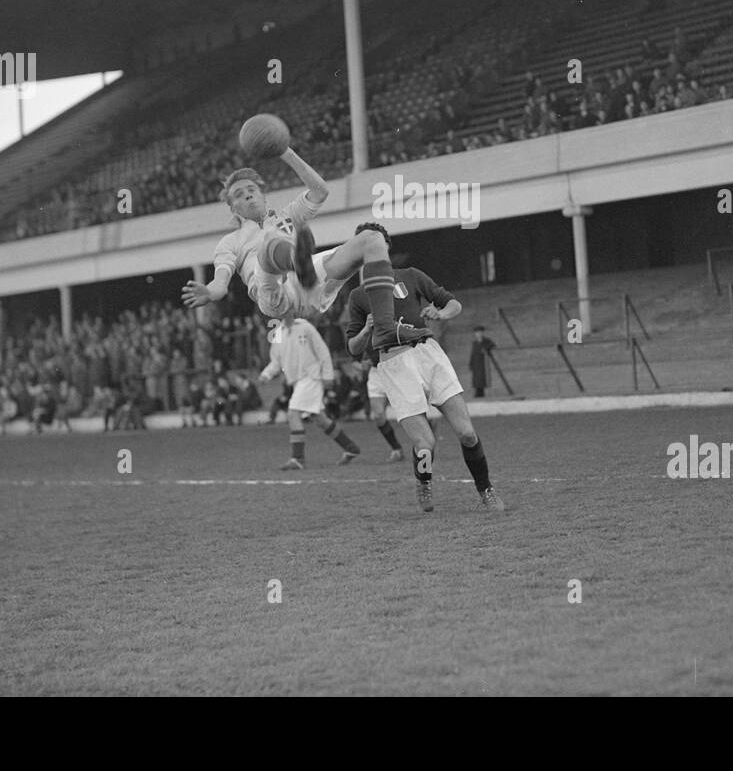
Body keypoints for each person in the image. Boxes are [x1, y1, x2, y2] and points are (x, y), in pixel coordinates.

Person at [180, 145, 431, 354]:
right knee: (269, 244)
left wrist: (285, 151)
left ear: (264, 196)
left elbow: (320, 191)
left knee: (372, 239)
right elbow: (220, 284)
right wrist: (210, 293)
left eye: (251, 190)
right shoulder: (230, 242)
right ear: (232, 208)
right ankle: (294, 259)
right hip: (274, 295)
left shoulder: (287, 215)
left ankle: (386, 329)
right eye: (238, 195)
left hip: (310, 281)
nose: (247, 196)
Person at [347, 223, 503, 513]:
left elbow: (453, 303)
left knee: (467, 434)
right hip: (392, 363)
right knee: (425, 443)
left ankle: (487, 491)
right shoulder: (358, 296)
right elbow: (352, 348)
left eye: (375, 241)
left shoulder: (411, 276)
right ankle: (424, 480)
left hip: (428, 354)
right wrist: (366, 331)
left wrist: (440, 312)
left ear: (385, 246)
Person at [260, 316, 360, 470]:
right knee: (320, 418)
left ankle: (298, 458)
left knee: (293, 414)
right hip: (297, 381)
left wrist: (328, 375)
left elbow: (323, 351)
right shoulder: (277, 332)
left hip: (311, 377)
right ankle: (351, 448)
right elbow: (276, 360)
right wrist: (266, 374)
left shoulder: (306, 327)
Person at [469, 326, 495, 398]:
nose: (478, 334)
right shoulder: (474, 343)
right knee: (476, 378)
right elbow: (472, 354)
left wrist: (485, 349)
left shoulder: (486, 341)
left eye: (480, 332)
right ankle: (478, 391)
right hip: (476, 363)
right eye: (477, 333)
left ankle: (481, 392)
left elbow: (492, 345)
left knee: (482, 377)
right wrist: (471, 363)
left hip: (483, 362)